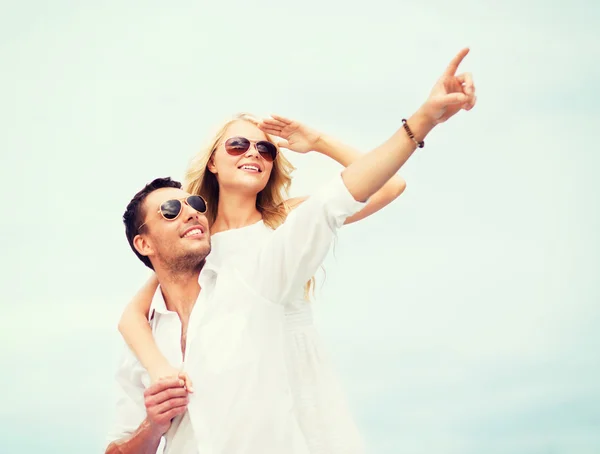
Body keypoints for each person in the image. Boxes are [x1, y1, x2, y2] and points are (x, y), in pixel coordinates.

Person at [105, 48, 476, 454]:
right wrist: (161, 372)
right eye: (238, 145)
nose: (254, 153)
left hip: (293, 382)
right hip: (227, 398)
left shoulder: (286, 221)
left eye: (266, 150)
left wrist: (318, 141)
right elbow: (138, 312)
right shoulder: (197, 239)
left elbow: (386, 186)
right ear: (212, 161)